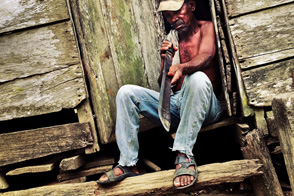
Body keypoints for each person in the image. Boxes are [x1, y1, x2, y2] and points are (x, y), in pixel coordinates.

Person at [97, 0, 222, 189]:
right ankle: (128, 163)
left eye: (177, 11)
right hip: (179, 106)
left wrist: (182, 67)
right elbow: (165, 87)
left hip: (206, 106)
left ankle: (184, 154)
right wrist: (166, 62)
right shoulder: (172, 38)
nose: (173, 18)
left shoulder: (207, 27)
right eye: (168, 15)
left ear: (192, 6)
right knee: (126, 93)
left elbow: (207, 55)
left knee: (195, 78)